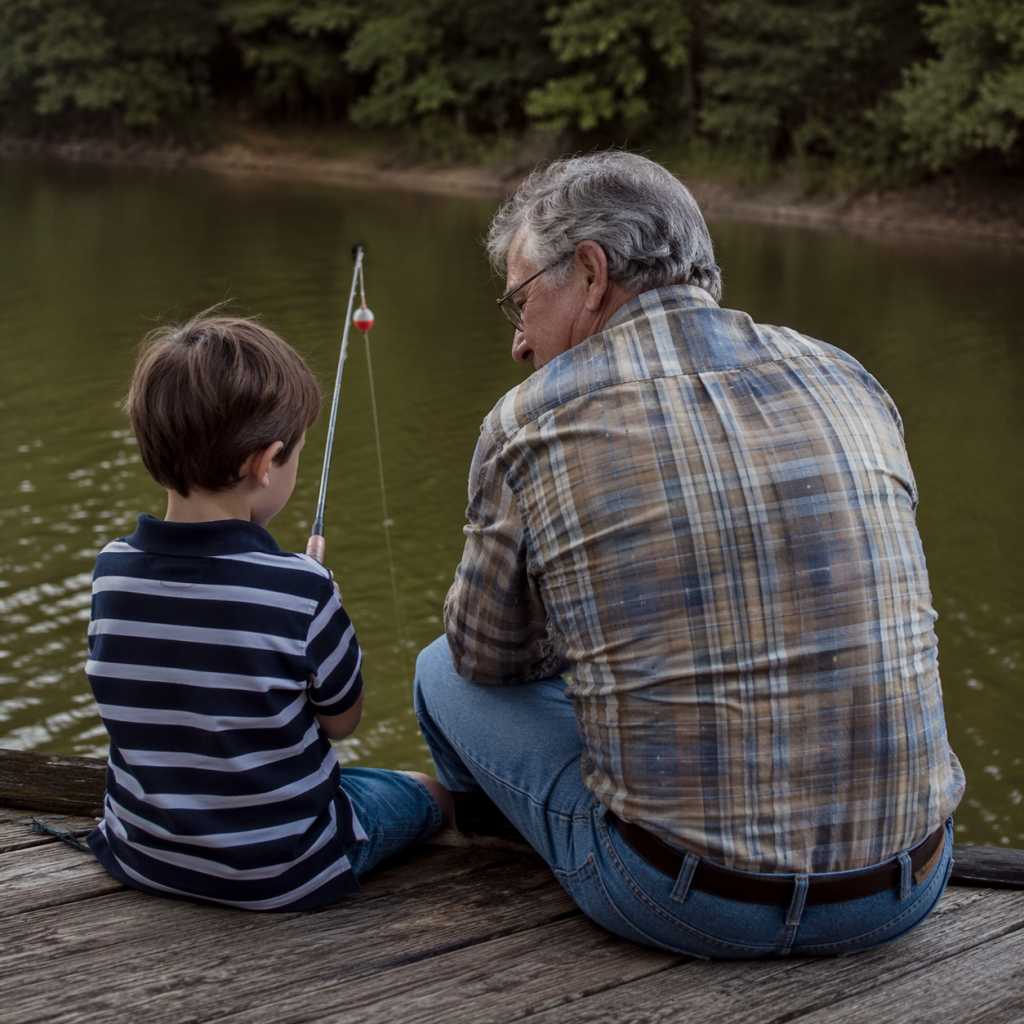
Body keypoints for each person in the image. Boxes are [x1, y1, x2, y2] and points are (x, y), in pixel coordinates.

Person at [414, 152, 964, 957]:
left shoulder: (531, 419)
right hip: (905, 885)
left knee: (439, 668)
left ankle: (507, 856)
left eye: (521, 303)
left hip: (690, 903)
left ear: (591, 273)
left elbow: (486, 656)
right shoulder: (847, 377)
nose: (520, 344)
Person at [86, 312, 453, 911]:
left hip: (144, 854)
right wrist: (322, 602)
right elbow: (342, 722)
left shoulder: (111, 571)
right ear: (266, 462)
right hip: (283, 870)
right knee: (427, 793)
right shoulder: (302, 590)